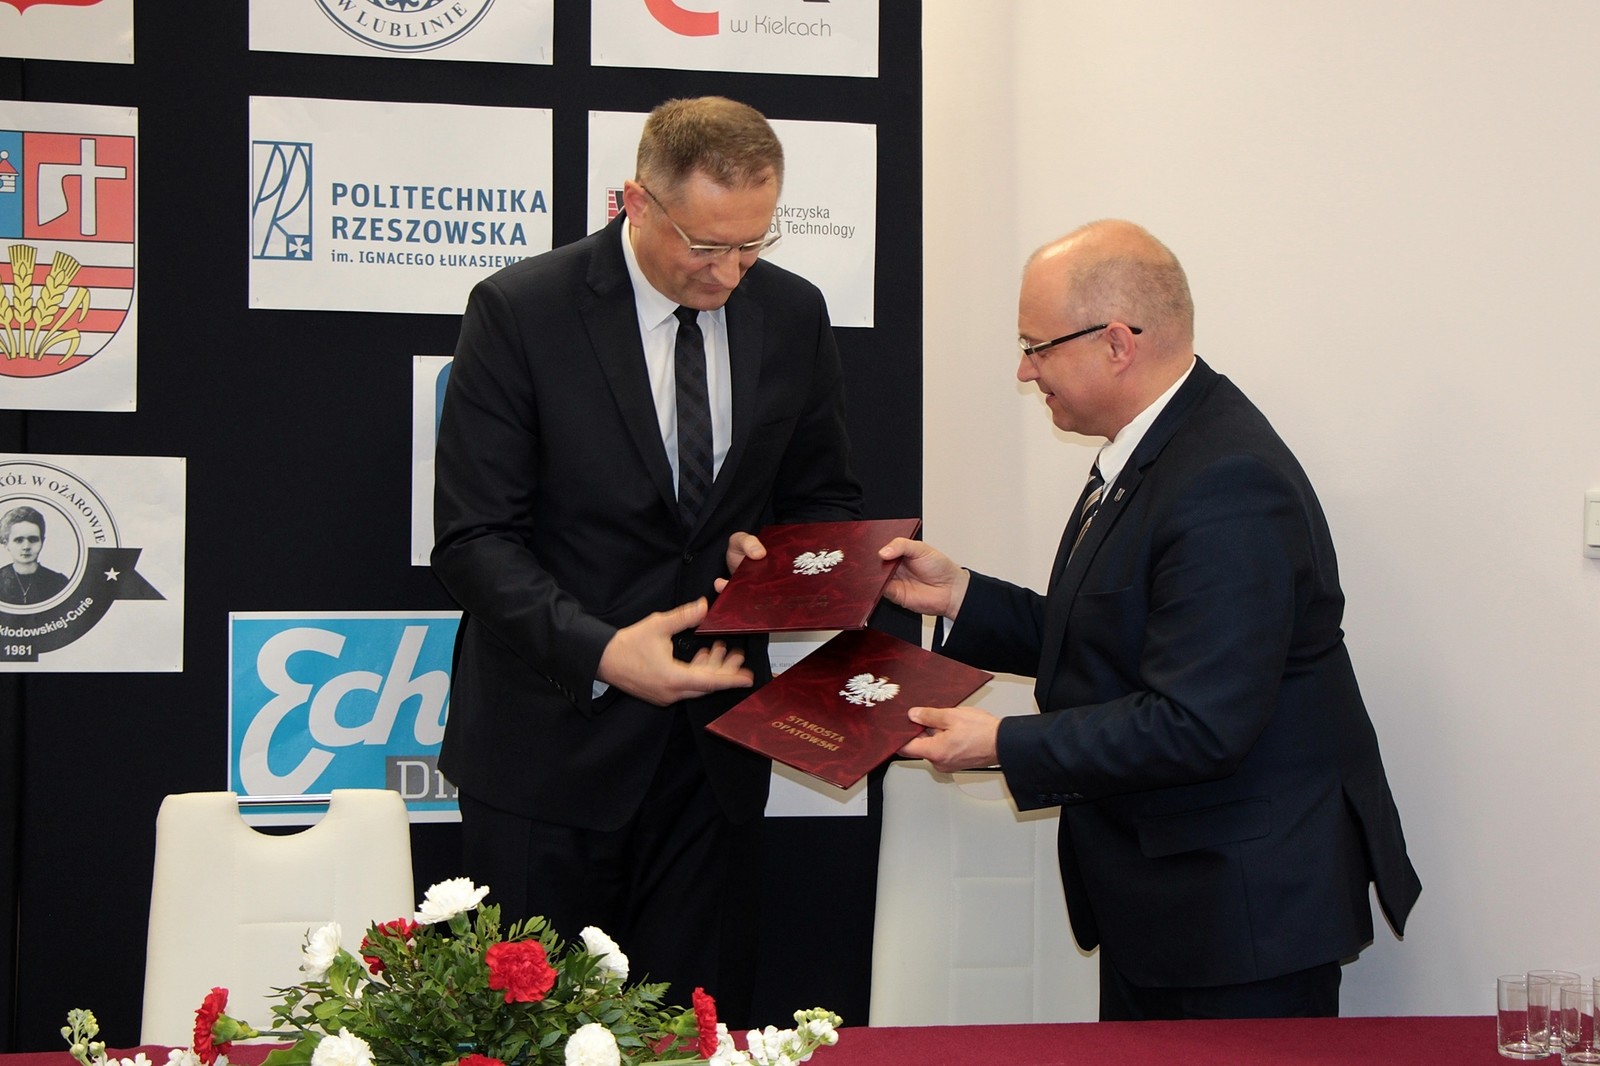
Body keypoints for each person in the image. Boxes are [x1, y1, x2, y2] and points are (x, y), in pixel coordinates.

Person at [879, 220, 1419, 1021]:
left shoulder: (1226, 480)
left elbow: (1198, 723)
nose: (1024, 371)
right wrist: (960, 595)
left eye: (1036, 347)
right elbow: (1115, 636)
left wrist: (1003, 743)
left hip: (1240, 918)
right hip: (1175, 900)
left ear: (1117, 343)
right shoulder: (1160, 446)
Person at [432, 96, 861, 1025]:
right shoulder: (522, 310)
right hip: (548, 754)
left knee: (695, 1033)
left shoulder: (792, 313)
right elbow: (474, 539)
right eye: (706, 245)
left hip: (713, 762)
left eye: (753, 243)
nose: (730, 270)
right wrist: (600, 651)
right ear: (635, 202)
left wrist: (775, 560)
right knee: (528, 1039)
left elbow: (824, 501)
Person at [0, 506, 70, 606]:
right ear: (6, 544)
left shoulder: (59, 582)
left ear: (42, 542)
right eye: (19, 540)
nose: (26, 547)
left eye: (33, 539)